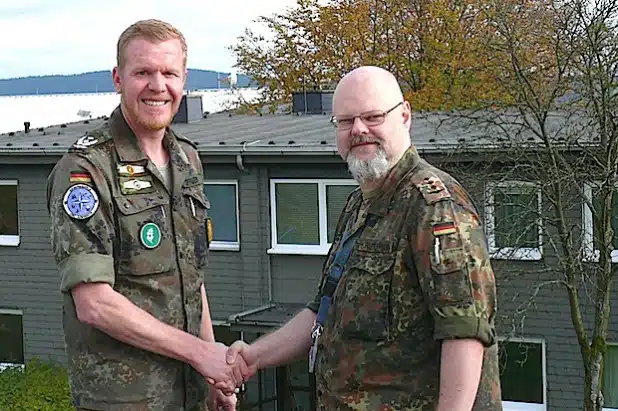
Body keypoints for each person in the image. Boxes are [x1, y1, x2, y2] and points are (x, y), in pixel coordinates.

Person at [224, 66, 503, 410]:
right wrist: (253, 356)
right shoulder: (361, 204)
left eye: (372, 116)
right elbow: (321, 313)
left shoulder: (434, 209)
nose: (358, 130)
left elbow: (465, 332)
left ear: (404, 116)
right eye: (345, 121)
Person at [46, 19, 247, 411]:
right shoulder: (85, 171)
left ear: (184, 80)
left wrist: (212, 372)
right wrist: (198, 353)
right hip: (125, 399)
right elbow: (94, 302)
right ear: (118, 78)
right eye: (143, 72)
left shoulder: (188, 159)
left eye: (169, 73)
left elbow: (192, 279)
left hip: (188, 394)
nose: (158, 86)